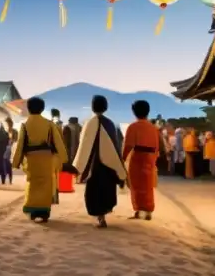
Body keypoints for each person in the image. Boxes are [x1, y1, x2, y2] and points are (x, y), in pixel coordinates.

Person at [12, 97, 69, 223]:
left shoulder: (25, 125)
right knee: (46, 184)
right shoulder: (49, 124)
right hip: (46, 158)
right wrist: (64, 159)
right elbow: (58, 143)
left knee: (32, 183)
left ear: (28, 108)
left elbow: (21, 144)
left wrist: (16, 161)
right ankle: (44, 212)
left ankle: (33, 211)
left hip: (31, 159)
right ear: (42, 109)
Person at [72, 95, 126, 227]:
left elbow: (83, 145)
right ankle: (102, 216)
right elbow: (115, 145)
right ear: (105, 107)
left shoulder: (89, 123)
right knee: (106, 190)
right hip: (108, 165)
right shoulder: (110, 124)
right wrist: (119, 165)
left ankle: (100, 217)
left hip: (94, 164)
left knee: (94, 191)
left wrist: (79, 165)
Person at [122, 99, 160, 220]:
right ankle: (148, 211)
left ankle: (138, 210)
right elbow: (156, 146)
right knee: (148, 184)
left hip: (137, 156)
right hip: (150, 157)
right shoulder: (153, 128)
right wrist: (154, 159)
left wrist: (122, 158)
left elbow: (128, 145)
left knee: (135, 185)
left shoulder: (133, 127)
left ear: (134, 112)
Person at [1, 117, 17, 184]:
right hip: (4, 149)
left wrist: (11, 141)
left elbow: (16, 139)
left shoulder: (14, 131)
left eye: (8, 123)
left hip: (10, 149)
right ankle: (4, 180)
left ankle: (9, 180)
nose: (8, 124)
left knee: (8, 165)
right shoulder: (3, 131)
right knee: (4, 164)